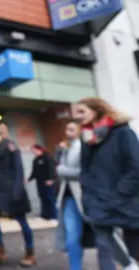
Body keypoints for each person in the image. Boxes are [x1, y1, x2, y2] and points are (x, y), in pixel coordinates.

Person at [75, 97, 139, 270]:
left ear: (97, 110)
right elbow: (86, 171)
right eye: (76, 113)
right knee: (104, 248)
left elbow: (135, 168)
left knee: (135, 251)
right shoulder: (86, 138)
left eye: (82, 111)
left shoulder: (123, 132)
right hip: (98, 203)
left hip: (125, 202)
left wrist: (118, 195)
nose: (78, 117)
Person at [55, 120, 115, 270]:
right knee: (71, 239)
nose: (67, 132)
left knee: (104, 238)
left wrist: (62, 170)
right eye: (66, 129)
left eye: (71, 129)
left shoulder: (86, 146)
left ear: (80, 130)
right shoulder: (66, 147)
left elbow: (85, 172)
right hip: (68, 197)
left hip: (86, 196)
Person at [0, 125, 35, 267]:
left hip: (13, 190)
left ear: (2, 136)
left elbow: (19, 170)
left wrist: (17, 191)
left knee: (22, 221)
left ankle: (30, 253)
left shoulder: (11, 148)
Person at [28, 144, 57, 220]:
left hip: (48, 182)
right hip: (39, 182)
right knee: (43, 198)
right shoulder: (35, 160)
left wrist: (51, 179)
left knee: (50, 199)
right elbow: (34, 172)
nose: (33, 152)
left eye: (34, 150)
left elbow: (52, 169)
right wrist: (29, 179)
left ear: (39, 149)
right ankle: (45, 215)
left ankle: (54, 216)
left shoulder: (47, 157)